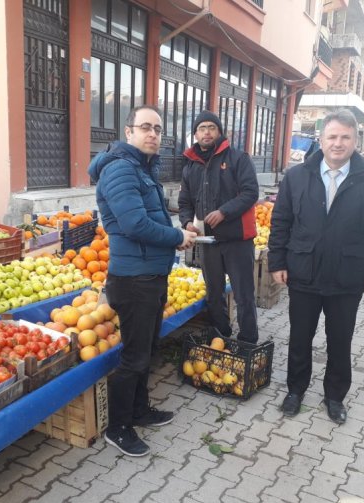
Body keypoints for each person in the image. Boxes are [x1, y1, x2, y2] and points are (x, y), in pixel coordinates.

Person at [268, 109, 364, 424]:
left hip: (347, 275)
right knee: (299, 337)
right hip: (303, 271)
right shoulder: (297, 176)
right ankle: (295, 390)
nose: (338, 143)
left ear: (355, 140)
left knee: (340, 340)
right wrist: (277, 261)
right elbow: (281, 221)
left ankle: (334, 397)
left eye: (345, 137)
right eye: (332, 137)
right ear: (321, 140)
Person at [88, 105, 197, 457]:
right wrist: (176, 236)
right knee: (134, 357)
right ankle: (118, 427)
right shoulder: (120, 169)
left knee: (148, 350)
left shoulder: (141, 169)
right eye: (145, 127)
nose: (153, 134)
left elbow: (149, 216)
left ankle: (139, 410)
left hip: (151, 275)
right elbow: (135, 225)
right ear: (128, 131)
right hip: (133, 279)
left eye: (158, 129)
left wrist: (176, 229)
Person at [178, 110, 259, 343]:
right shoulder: (190, 167)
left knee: (243, 294)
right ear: (195, 134)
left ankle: (247, 341)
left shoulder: (238, 158)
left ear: (219, 132)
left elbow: (250, 192)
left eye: (211, 128)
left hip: (237, 240)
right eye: (202, 128)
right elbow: (185, 203)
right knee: (214, 293)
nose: (206, 132)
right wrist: (186, 222)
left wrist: (224, 212)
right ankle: (221, 334)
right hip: (208, 242)